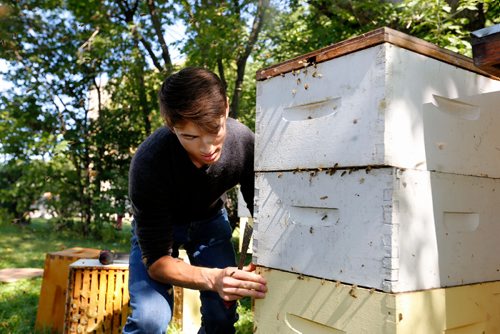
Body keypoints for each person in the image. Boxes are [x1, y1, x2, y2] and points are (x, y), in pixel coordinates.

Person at [123, 67, 267, 334]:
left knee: (221, 317)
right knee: (149, 320)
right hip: (161, 229)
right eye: (190, 136)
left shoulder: (244, 143)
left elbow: (264, 210)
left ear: (225, 108)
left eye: (215, 130)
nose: (207, 147)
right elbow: (156, 263)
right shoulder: (149, 163)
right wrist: (214, 278)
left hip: (210, 222)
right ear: (170, 124)